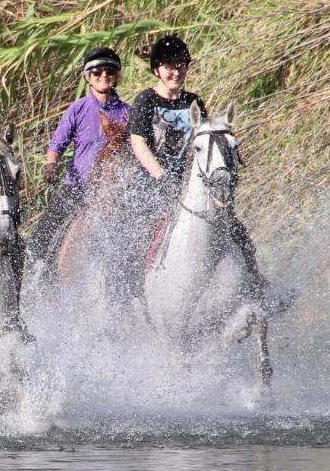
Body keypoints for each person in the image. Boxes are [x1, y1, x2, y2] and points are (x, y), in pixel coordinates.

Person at [127, 34, 290, 311]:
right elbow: (138, 143)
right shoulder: (146, 100)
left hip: (192, 183)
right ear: (157, 69)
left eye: (181, 66)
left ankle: (258, 286)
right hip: (154, 181)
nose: (175, 71)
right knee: (138, 234)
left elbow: (206, 139)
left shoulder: (194, 102)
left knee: (235, 229)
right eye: (169, 66)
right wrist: (160, 176)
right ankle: (131, 297)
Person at [27, 46, 131, 274]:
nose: (104, 76)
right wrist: (51, 164)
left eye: (109, 72)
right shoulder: (78, 108)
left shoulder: (128, 113)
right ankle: (34, 276)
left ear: (117, 76)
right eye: (97, 72)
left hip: (114, 191)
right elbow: (58, 144)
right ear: (88, 77)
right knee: (42, 234)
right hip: (78, 186)